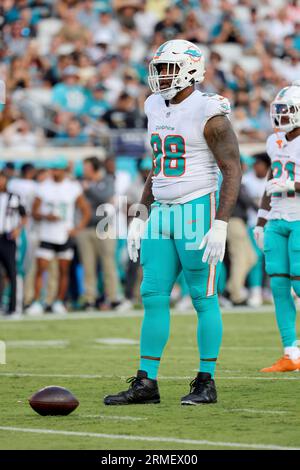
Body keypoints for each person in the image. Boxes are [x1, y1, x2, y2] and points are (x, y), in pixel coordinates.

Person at [104, 39, 241, 406]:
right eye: (158, 68)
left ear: (191, 70)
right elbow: (158, 165)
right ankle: (146, 382)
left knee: (203, 297)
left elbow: (232, 170)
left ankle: (205, 381)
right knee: (152, 295)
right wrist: (140, 214)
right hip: (161, 211)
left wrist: (221, 222)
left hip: (197, 208)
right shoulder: (153, 104)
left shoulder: (210, 111)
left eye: (167, 68)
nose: (160, 76)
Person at [254, 81, 300, 372]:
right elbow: (271, 178)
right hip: (276, 219)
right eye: (279, 110)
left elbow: (283, 181)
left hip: (299, 218)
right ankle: (291, 353)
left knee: (298, 283)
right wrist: (261, 219)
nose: (281, 116)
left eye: (287, 111)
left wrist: (293, 186)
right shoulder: (274, 141)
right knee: (280, 287)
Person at [25, 160, 91, 315]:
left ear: (63, 170)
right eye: (52, 169)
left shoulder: (72, 188)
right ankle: (36, 301)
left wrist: (77, 228)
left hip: (64, 234)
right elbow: (33, 212)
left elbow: (86, 210)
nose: (54, 172)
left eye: (57, 169)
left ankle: (59, 301)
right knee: (41, 269)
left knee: (63, 270)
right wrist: (46, 216)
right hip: (46, 234)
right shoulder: (43, 188)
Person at [0, 171, 27, 315]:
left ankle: (13, 306)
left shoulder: (14, 197)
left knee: (12, 272)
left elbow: (24, 216)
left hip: (8, 238)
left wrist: (18, 229)